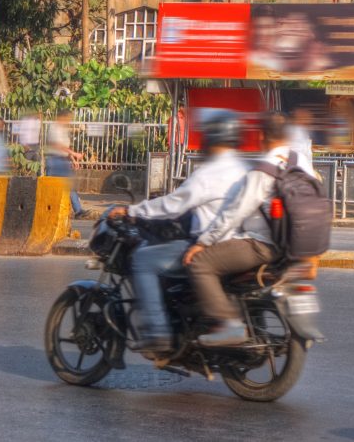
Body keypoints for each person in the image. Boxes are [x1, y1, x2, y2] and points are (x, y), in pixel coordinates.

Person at [111, 110, 264, 353]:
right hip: (236, 244)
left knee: (142, 259)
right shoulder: (244, 168)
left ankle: (157, 331)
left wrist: (132, 210)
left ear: (211, 139)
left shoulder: (208, 174)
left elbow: (172, 205)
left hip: (208, 244)